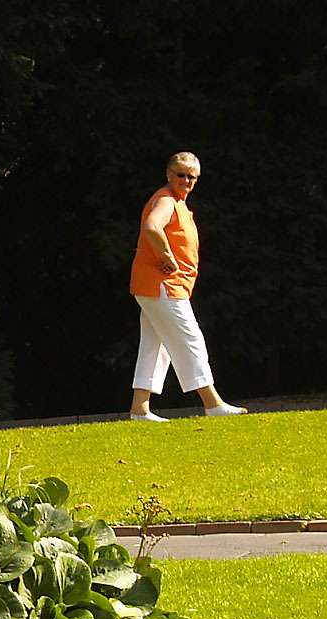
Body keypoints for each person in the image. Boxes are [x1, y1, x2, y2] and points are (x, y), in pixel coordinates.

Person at [127, 151, 246, 422]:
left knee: (156, 344)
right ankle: (213, 404)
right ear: (168, 174)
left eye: (192, 177)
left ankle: (139, 409)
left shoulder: (177, 203)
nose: (186, 180)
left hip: (156, 286)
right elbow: (152, 227)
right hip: (163, 286)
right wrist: (167, 256)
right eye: (180, 175)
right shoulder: (166, 200)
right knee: (190, 339)